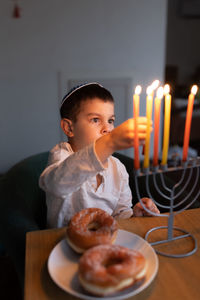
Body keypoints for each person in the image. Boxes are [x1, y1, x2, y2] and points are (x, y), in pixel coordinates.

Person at [39, 82, 160, 228]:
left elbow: (120, 214)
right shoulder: (61, 155)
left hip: (104, 240)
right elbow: (56, 184)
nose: (107, 129)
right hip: (63, 241)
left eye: (110, 121)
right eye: (95, 120)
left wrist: (135, 214)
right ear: (69, 127)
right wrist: (110, 142)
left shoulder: (118, 168)